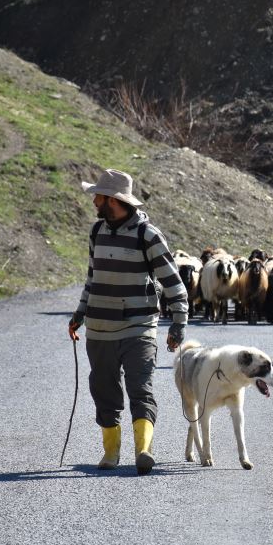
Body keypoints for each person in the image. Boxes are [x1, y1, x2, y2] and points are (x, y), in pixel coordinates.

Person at [67, 169, 188, 475]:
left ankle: (143, 449)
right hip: (99, 327)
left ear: (114, 200)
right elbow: (92, 278)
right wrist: (80, 313)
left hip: (139, 325)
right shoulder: (97, 232)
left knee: (140, 387)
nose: (94, 201)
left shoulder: (147, 235)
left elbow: (174, 283)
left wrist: (178, 323)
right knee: (103, 388)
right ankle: (111, 450)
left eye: (99, 196)